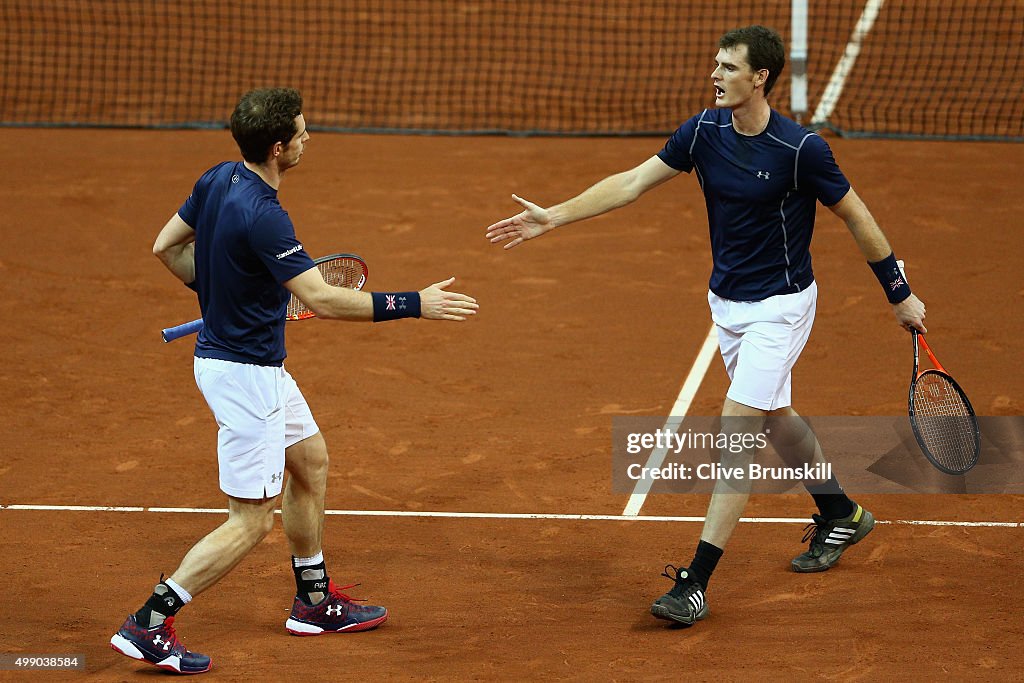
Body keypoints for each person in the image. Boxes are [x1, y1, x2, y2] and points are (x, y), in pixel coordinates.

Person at [484, 25, 926, 627]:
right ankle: (842, 512)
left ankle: (696, 580)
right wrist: (555, 216)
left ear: (759, 78)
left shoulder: (801, 151)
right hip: (729, 305)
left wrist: (898, 293)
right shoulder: (703, 132)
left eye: (727, 67)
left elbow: (858, 216)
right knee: (773, 415)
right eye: (715, 65)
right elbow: (634, 182)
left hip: (782, 306)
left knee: (736, 432)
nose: (715, 76)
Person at [110, 87, 479, 674]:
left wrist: (220, 294)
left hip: (252, 362)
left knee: (310, 462)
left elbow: (166, 247)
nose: (311, 139)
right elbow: (324, 301)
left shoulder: (217, 177)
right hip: (245, 375)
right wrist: (416, 303)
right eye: (304, 133)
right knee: (249, 522)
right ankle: (149, 622)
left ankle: (313, 600)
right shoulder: (264, 215)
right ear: (279, 148)